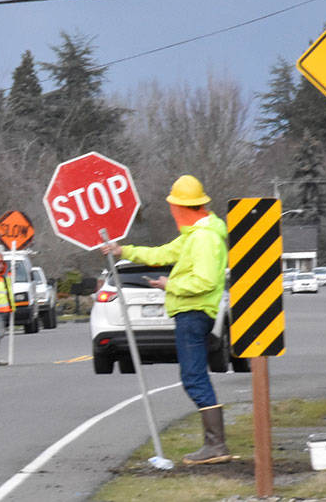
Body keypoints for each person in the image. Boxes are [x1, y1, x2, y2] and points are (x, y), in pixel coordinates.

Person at [100, 175, 232, 465]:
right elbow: (161, 254)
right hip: (191, 313)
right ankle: (214, 443)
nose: (172, 212)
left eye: (174, 207)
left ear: (184, 208)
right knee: (192, 376)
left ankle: (215, 445)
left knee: (193, 377)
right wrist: (124, 251)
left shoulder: (204, 238)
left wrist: (168, 285)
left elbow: (206, 281)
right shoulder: (194, 235)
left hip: (194, 313)